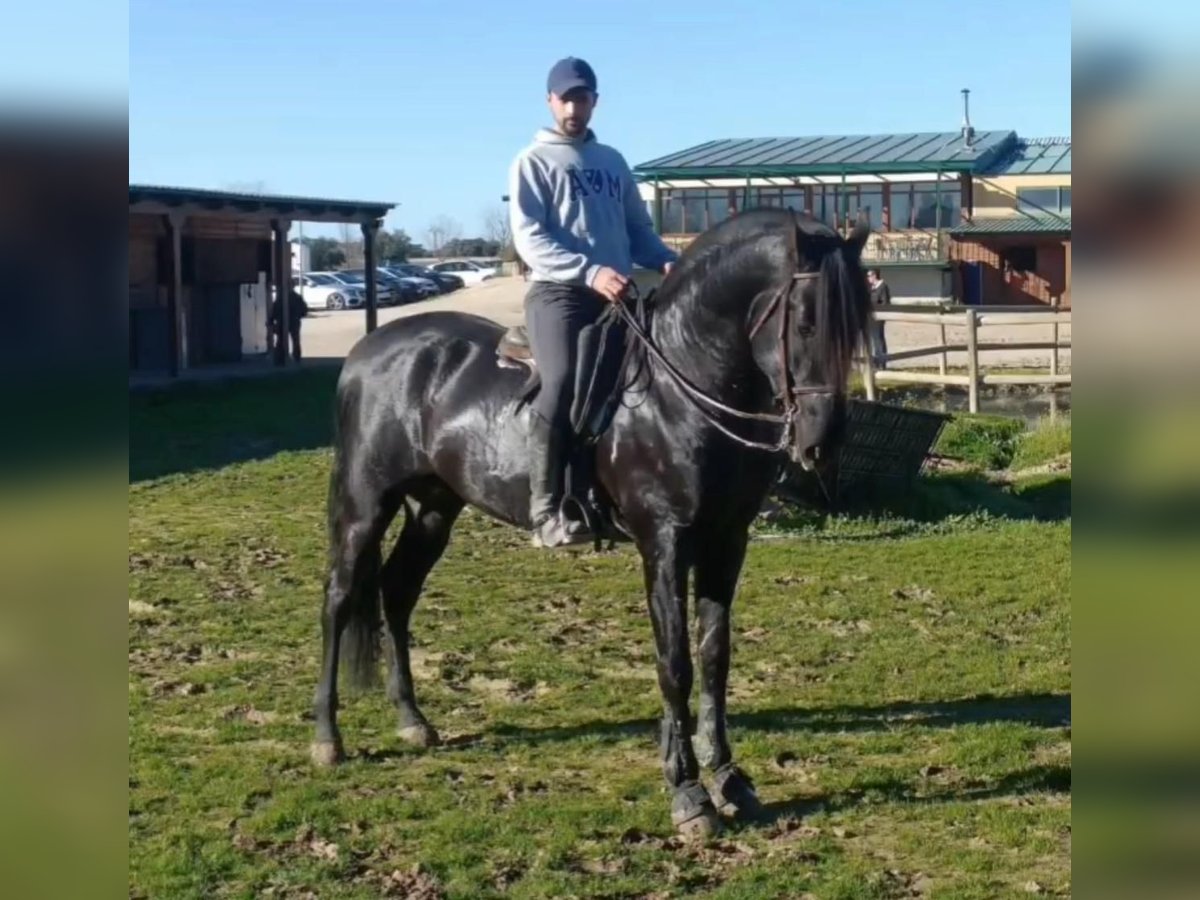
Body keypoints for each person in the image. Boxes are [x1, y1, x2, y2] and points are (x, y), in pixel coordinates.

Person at [509, 56, 678, 549]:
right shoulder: (532, 162)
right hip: (560, 293)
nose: (573, 108)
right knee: (562, 381)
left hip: (617, 295)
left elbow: (638, 230)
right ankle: (544, 509)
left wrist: (667, 260)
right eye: (565, 99)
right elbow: (530, 239)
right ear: (549, 101)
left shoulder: (612, 161)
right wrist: (589, 271)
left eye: (581, 99)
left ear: (594, 102)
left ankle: (616, 494)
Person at [269, 285, 308, 362]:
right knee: (295, 340)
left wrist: (271, 321)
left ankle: (280, 357)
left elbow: (274, 310)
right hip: (294, 321)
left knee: (281, 340)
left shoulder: (281, 298)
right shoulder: (297, 297)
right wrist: (298, 316)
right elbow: (304, 310)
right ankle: (296, 357)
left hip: (282, 321)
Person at [865, 268, 891, 368]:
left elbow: (885, 303)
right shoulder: (872, 288)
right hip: (872, 317)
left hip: (879, 317)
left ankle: (882, 363)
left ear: (874, 276)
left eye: (869, 276)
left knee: (879, 340)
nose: (868, 278)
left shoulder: (883, 287)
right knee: (875, 341)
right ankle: (877, 362)